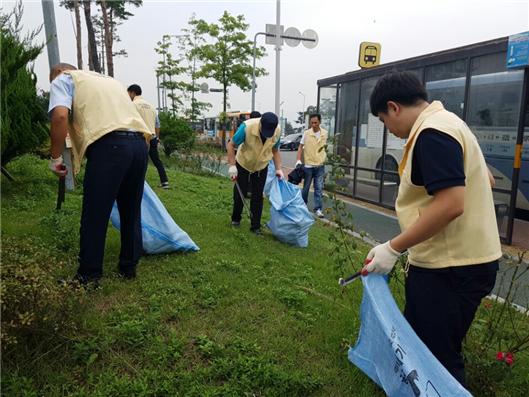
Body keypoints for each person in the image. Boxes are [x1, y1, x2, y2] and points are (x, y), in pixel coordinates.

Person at [362, 71, 501, 387]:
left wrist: (393, 247)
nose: (390, 130)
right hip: (458, 262)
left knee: (438, 360)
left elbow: (452, 202)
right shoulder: (450, 122)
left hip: (451, 268)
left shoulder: (432, 133)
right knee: (424, 347)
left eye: (384, 121)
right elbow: (485, 179)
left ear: (394, 107)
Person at [48, 63, 154, 285]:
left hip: (110, 147)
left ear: (58, 73)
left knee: (95, 212)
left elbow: (59, 117)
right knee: (131, 210)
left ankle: (89, 275)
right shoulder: (109, 81)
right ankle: (128, 266)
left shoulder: (63, 80)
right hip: (139, 145)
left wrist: (55, 158)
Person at [227, 112, 284, 235]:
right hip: (243, 163)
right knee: (240, 193)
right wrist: (232, 165)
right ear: (260, 123)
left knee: (258, 196)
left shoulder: (277, 131)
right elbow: (231, 144)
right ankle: (235, 219)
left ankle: (255, 227)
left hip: (261, 166)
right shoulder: (247, 127)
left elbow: (275, 150)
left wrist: (278, 168)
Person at [127, 84, 169, 189]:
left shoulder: (133, 104)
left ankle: (139, 183)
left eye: (128, 93)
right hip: (152, 137)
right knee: (156, 161)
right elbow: (157, 125)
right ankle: (165, 182)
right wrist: (157, 137)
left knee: (138, 161)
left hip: (139, 137)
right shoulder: (151, 106)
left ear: (132, 92)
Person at [295, 113, 328, 218]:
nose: (313, 125)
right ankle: (302, 206)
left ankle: (318, 209)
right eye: (312, 123)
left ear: (319, 122)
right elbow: (300, 147)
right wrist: (298, 160)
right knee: (306, 188)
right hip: (308, 165)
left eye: (316, 123)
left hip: (320, 165)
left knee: (318, 188)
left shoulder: (325, 134)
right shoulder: (306, 133)